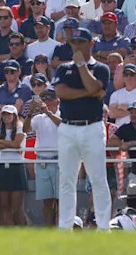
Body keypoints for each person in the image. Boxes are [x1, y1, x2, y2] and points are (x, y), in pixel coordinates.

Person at [54, 27, 111, 229]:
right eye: (74, 42)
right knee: (67, 180)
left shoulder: (102, 68)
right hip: (68, 127)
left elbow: (96, 87)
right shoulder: (62, 69)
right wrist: (87, 92)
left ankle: (104, 228)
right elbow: (60, 92)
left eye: (80, 42)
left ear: (90, 44)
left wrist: (81, 65)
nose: (76, 46)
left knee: (98, 179)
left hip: (92, 127)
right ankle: (65, 228)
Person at [24, 88, 61, 226]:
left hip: (59, 161)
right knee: (46, 200)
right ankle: (49, 229)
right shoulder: (38, 118)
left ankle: (61, 228)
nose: (47, 102)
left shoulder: (62, 114)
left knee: (60, 200)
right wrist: (29, 113)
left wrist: (48, 113)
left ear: (58, 101)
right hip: (42, 162)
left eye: (50, 100)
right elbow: (25, 129)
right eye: (44, 100)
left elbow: (63, 125)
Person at [0, 104, 28, 226]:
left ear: (14, 116)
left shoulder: (20, 127)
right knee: (5, 206)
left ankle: (23, 233)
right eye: (4, 114)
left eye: (9, 114)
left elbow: (17, 144)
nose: (6, 117)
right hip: (3, 167)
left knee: (17, 208)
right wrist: (9, 144)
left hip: (16, 167)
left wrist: (1, 142)